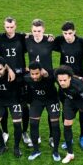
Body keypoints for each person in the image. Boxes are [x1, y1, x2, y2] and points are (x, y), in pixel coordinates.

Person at [0, 16, 31, 146]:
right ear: (4, 26)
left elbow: (35, 36)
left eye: (11, 27)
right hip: (5, 77)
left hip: (20, 77)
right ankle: (5, 131)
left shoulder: (21, 37)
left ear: (16, 26)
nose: (9, 29)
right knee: (3, 104)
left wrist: (47, 34)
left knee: (24, 106)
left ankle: (25, 132)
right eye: (7, 27)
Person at [55, 66, 83, 165]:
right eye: (60, 80)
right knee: (67, 124)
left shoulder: (78, 85)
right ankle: (70, 153)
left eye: (64, 80)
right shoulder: (58, 77)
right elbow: (51, 71)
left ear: (70, 78)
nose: (62, 82)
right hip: (70, 101)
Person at [54, 21, 83, 150]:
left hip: (79, 81)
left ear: (74, 32)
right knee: (66, 108)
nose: (67, 36)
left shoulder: (82, 42)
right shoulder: (60, 41)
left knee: (82, 110)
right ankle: (69, 138)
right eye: (65, 33)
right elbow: (45, 42)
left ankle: (82, 137)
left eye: (70, 33)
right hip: (64, 81)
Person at [25, 18, 55, 147]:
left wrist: (50, 36)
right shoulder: (27, 39)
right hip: (33, 79)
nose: (36, 33)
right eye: (34, 31)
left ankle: (52, 137)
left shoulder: (50, 41)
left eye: (39, 31)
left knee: (50, 111)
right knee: (34, 107)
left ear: (44, 30)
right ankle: (35, 137)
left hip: (48, 78)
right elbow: (14, 35)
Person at [24, 63, 61, 161]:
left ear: (41, 71)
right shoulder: (27, 78)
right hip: (37, 101)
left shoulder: (50, 75)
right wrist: (28, 102)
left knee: (55, 125)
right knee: (33, 124)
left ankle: (55, 151)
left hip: (52, 100)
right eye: (32, 74)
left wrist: (48, 75)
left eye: (37, 73)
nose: (34, 76)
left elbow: (63, 73)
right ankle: (36, 150)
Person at [0, 57, 23, 158]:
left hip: (14, 101)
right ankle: (2, 145)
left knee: (17, 124)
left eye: (0, 69)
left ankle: (16, 147)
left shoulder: (14, 74)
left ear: (5, 67)